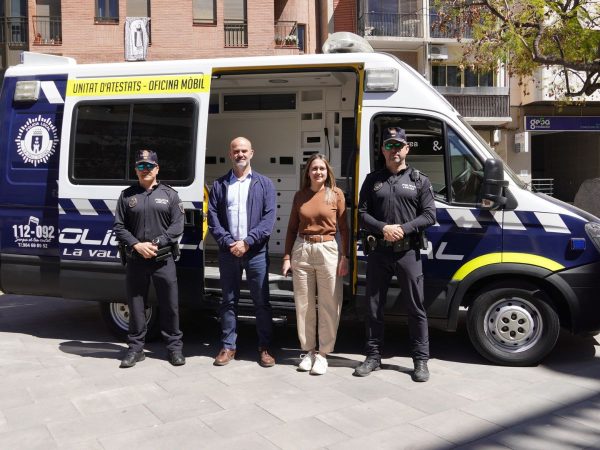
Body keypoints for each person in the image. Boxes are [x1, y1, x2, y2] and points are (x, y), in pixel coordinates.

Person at [355, 127, 436, 382]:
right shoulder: (373, 180)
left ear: (406, 149)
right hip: (379, 251)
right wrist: (383, 228)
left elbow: (430, 215)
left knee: (416, 308)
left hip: (407, 253)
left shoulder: (419, 180)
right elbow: (362, 214)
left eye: (398, 146)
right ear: (383, 150)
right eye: (389, 146)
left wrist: (402, 229)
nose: (394, 151)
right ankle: (372, 356)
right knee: (374, 307)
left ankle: (420, 361)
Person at [208, 137, 277, 367]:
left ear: (252, 153)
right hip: (229, 253)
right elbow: (214, 220)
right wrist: (230, 243)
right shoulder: (219, 185)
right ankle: (228, 346)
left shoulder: (264, 184)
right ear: (230, 154)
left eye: (244, 150)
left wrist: (247, 242)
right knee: (228, 301)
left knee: (261, 302)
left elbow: (268, 219)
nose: (240, 154)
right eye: (236, 151)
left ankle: (265, 348)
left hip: (255, 252)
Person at [113, 149, 185, 368]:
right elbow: (119, 227)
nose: (145, 170)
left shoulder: (170, 195)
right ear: (136, 170)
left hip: (163, 259)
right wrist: (137, 244)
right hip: (136, 259)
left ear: (157, 168)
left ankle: (174, 349)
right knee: (136, 305)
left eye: (149, 166)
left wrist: (157, 243)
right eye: (141, 166)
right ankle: (135, 349)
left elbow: (177, 226)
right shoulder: (127, 196)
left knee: (170, 305)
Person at [282, 154, 349, 375]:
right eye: (314, 169)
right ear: (307, 172)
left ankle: (323, 354)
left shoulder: (336, 194)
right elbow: (291, 228)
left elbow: (344, 229)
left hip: (328, 249)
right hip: (302, 249)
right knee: (304, 304)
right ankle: (309, 351)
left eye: (321, 168)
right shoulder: (300, 196)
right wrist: (286, 257)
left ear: (327, 171)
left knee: (330, 303)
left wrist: (344, 257)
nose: (318, 172)